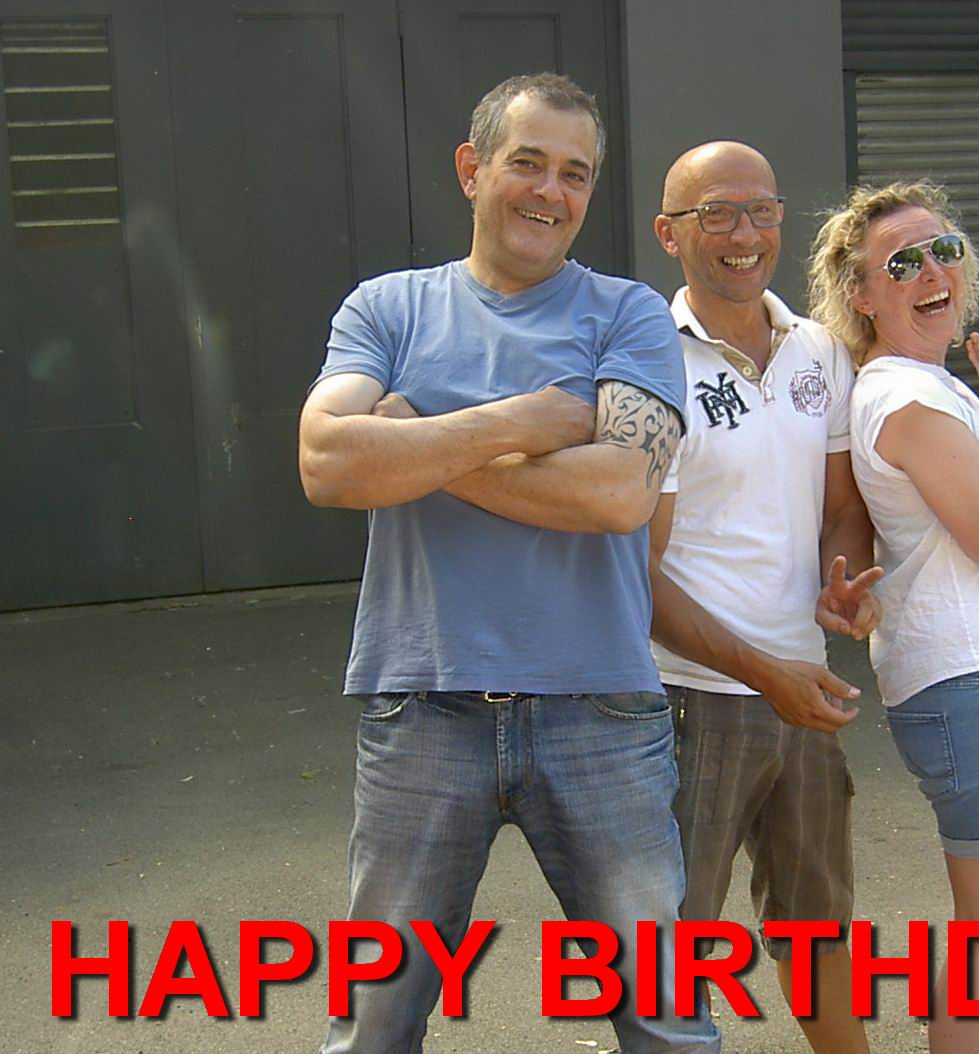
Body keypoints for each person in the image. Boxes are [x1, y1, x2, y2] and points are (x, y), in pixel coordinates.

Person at [298, 73, 717, 1053]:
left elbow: (618, 493)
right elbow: (325, 462)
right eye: (527, 162)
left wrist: (414, 442)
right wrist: (522, 423)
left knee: (666, 1021)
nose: (550, 191)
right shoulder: (389, 308)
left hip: (599, 710)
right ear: (471, 168)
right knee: (374, 1023)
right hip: (422, 704)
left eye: (575, 173)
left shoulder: (628, 316)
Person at [810, 180, 979, 1054]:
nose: (932, 271)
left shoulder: (935, 387)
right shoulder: (907, 399)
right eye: (901, 263)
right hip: (977, 686)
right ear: (860, 295)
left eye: (943, 249)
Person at [649, 140, 878, 1054]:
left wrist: (840, 576)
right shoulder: (648, 360)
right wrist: (761, 673)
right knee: (673, 945)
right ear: (670, 234)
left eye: (761, 210)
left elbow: (842, 507)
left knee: (818, 926)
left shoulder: (818, 349)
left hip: (803, 691)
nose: (743, 234)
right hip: (690, 696)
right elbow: (632, 573)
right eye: (715, 214)